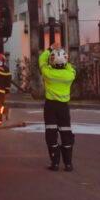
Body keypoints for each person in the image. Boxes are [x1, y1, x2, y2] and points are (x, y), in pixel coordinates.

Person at [38, 44, 76, 172]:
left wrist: (49, 49)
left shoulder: (48, 73)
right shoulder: (70, 75)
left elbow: (41, 61)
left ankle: (55, 163)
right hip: (64, 108)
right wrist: (64, 59)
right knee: (66, 134)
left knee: (51, 134)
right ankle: (68, 164)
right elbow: (70, 66)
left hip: (50, 107)